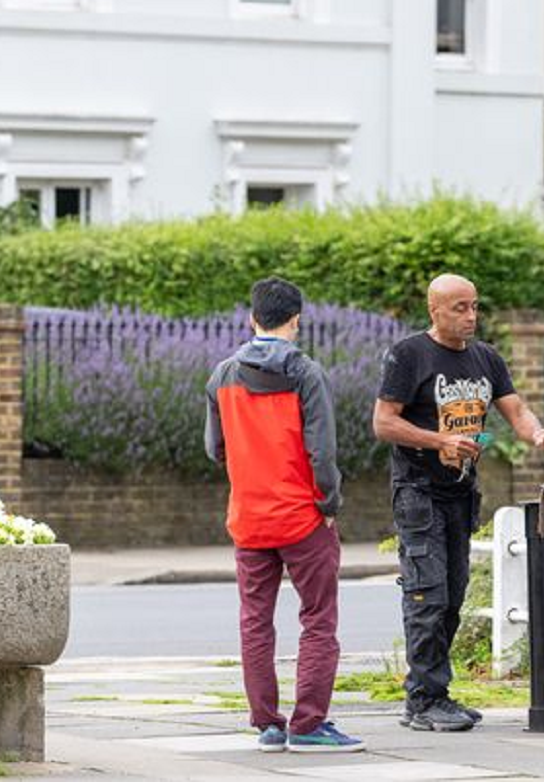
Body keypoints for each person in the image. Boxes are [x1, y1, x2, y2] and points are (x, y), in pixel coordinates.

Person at [373, 273, 544, 732]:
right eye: (459, 308)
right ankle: (421, 700)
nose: (470, 316)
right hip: (418, 490)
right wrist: (438, 438)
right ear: (434, 310)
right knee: (427, 592)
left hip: (461, 491)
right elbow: (384, 422)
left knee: (454, 594)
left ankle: (436, 692)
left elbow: (516, 410)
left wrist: (539, 433)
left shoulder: (486, 358)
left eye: (474, 306)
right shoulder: (409, 354)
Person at [205, 277, 364, 754]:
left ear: (252, 318)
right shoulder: (305, 373)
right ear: (296, 319)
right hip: (301, 518)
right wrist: (330, 504)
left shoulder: (222, 376)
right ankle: (310, 724)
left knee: (255, 621)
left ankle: (269, 725)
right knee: (318, 619)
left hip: (249, 518)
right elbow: (323, 452)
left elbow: (214, 449)